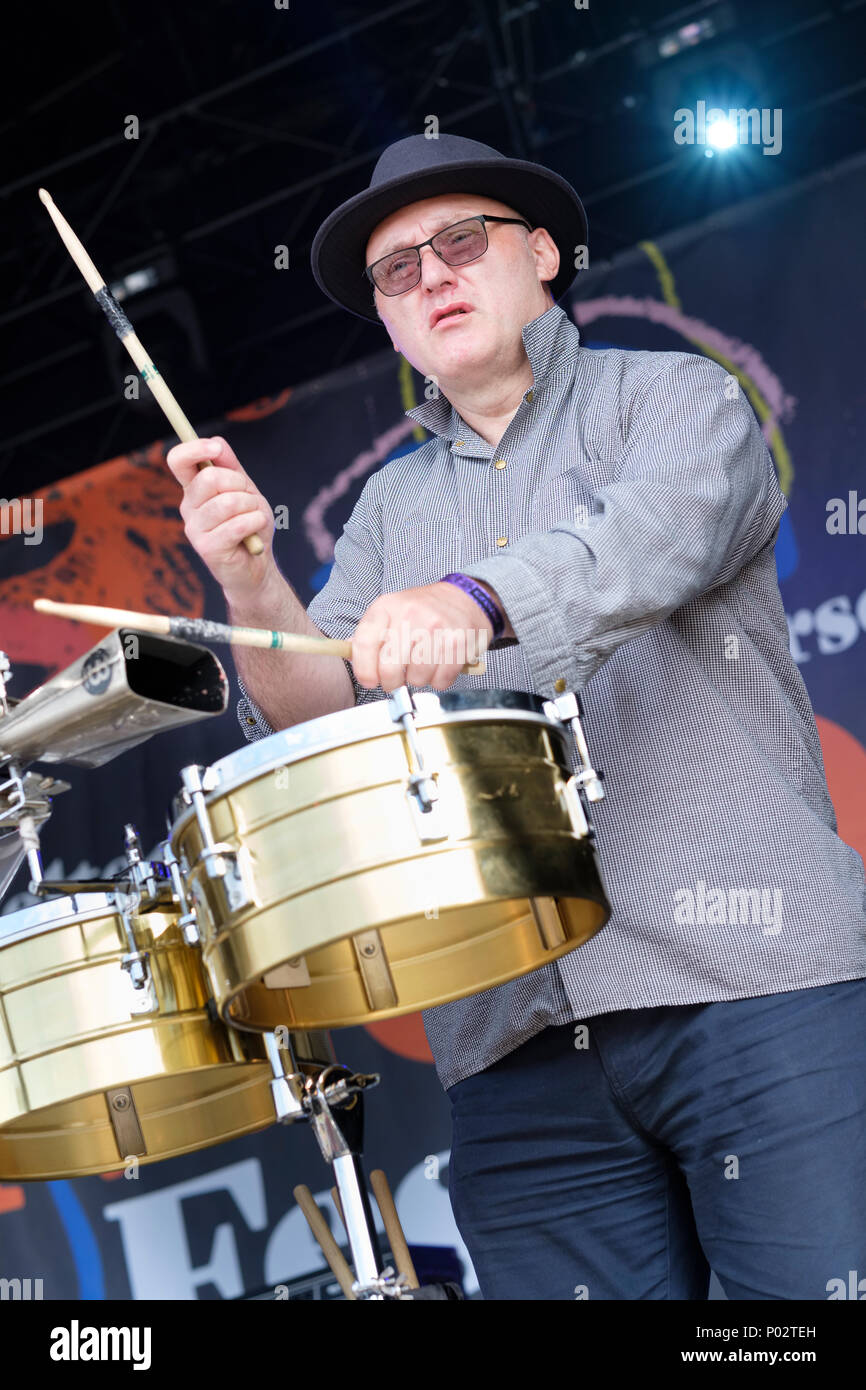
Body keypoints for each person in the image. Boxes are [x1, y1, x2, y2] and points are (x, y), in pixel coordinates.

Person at [166, 133, 866, 1300]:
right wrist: (251, 587)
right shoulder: (386, 509)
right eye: (398, 271)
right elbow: (314, 711)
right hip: (513, 1044)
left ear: (540, 253)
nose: (431, 276)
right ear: (388, 323)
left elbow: (650, 539)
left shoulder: (676, 397)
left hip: (753, 984)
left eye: (459, 241)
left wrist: (471, 600)